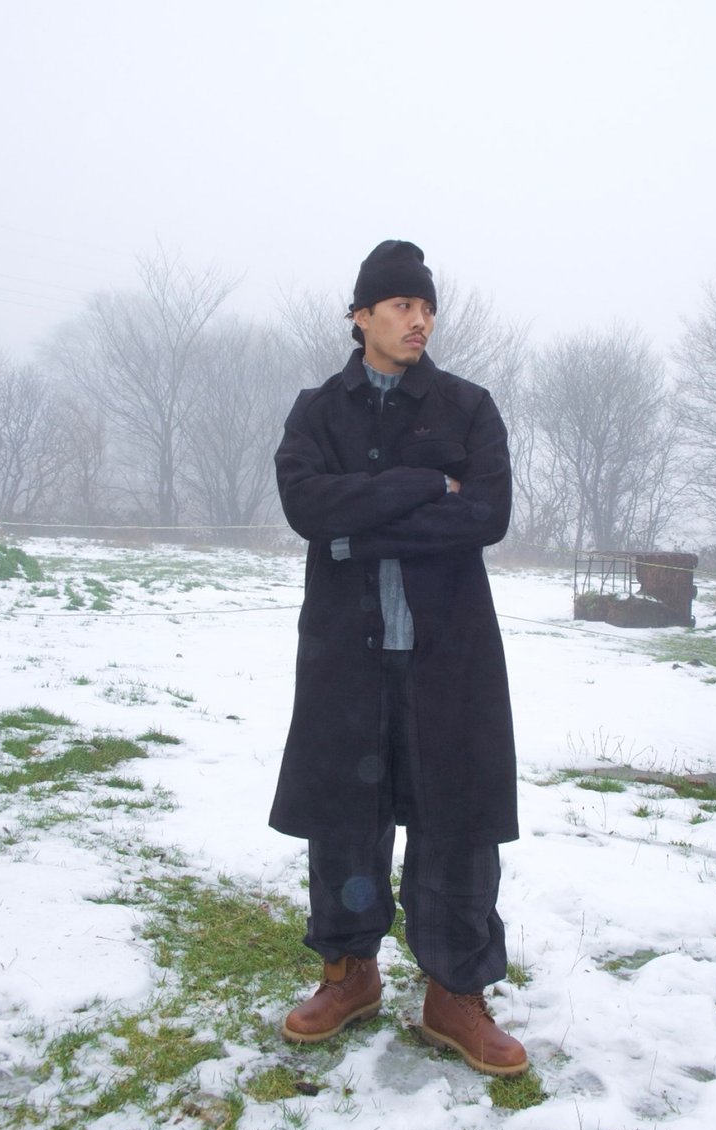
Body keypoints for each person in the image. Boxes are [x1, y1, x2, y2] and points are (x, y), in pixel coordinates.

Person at [270, 240, 526, 1076]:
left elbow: (485, 516)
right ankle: (348, 972)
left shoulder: (467, 406)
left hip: (447, 655)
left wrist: (357, 529)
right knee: (345, 816)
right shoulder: (317, 412)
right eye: (401, 306)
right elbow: (307, 507)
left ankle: (456, 993)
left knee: (457, 819)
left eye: (426, 308)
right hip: (347, 654)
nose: (419, 320)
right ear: (361, 316)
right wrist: (423, 485)